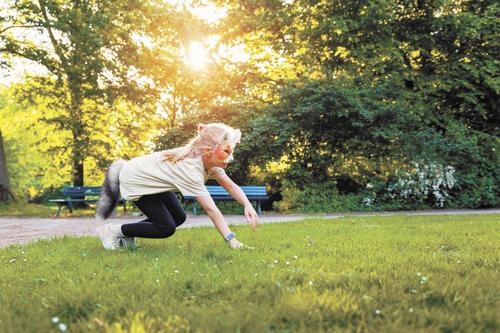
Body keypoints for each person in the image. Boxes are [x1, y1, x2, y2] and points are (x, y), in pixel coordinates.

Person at [95, 123, 259, 250]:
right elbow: (211, 209)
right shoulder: (191, 169)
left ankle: (127, 233)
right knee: (166, 227)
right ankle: (111, 231)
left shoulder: (210, 164)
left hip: (154, 180)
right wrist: (233, 241)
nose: (231, 157)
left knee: (178, 218)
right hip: (137, 180)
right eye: (226, 151)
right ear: (209, 150)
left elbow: (230, 186)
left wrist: (247, 205)